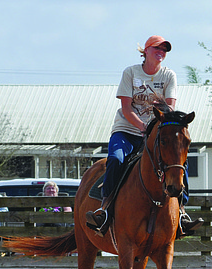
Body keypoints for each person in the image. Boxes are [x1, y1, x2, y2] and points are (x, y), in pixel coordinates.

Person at [86, 35, 202, 237]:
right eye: (157, 48)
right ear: (145, 51)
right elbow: (126, 107)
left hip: (155, 133)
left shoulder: (169, 75)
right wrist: (142, 127)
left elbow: (170, 107)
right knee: (116, 159)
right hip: (127, 130)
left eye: (164, 50)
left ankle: (182, 212)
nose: (161, 52)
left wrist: (156, 127)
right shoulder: (130, 73)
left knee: (178, 161)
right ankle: (104, 210)